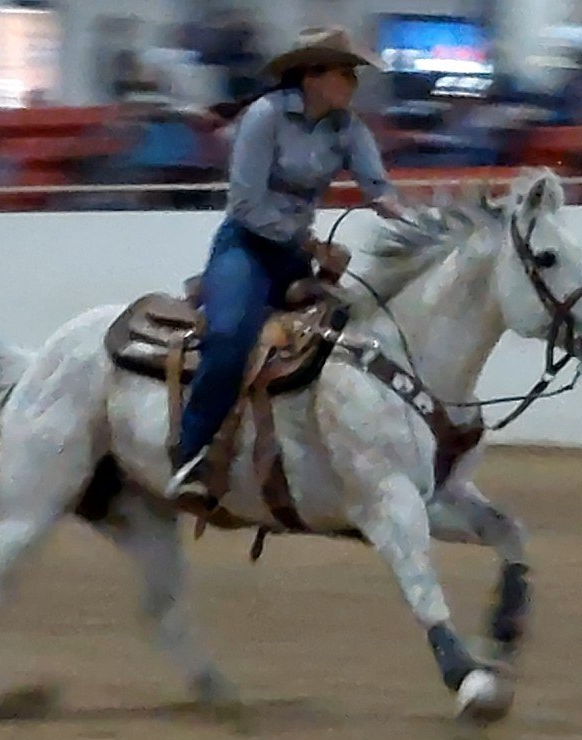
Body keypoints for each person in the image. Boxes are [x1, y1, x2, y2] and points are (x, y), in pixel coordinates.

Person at [166, 27, 410, 501]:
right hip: (247, 247)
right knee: (231, 332)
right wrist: (311, 247)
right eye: (345, 73)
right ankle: (190, 454)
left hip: (294, 254)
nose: (353, 83)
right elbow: (245, 205)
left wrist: (413, 218)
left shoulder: (348, 128)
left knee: (358, 335)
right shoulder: (264, 117)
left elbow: (378, 188)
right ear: (312, 76)